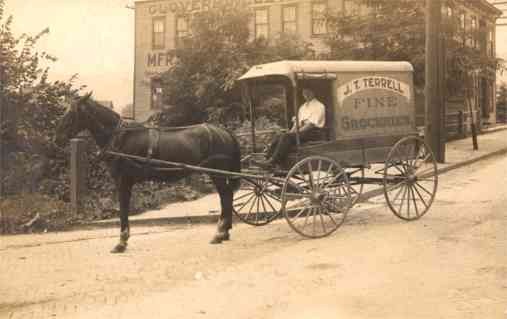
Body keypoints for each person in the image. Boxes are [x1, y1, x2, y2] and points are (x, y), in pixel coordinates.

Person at [256, 88, 326, 168]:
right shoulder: (303, 107)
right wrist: (290, 132)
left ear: (313, 92)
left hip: (313, 132)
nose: (306, 94)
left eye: (308, 91)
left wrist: (296, 133)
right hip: (303, 131)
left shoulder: (319, 106)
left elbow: (311, 124)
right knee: (280, 136)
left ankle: (273, 161)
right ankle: (267, 159)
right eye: (304, 92)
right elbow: (297, 123)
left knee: (287, 136)